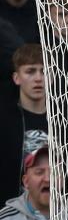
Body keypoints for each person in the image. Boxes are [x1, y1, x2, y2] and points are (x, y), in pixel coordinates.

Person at [0, 43, 47, 203]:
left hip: (55, 216)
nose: (38, 78)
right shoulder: (5, 121)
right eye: (30, 71)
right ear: (16, 78)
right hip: (8, 212)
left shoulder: (65, 123)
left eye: (44, 71)